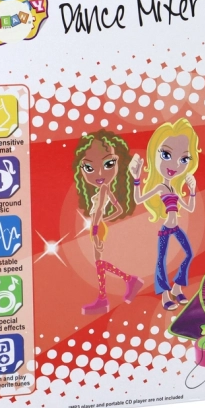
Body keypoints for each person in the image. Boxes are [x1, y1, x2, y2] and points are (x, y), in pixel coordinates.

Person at [130, 118, 200, 311]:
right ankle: (165, 296)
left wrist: (192, 190)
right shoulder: (161, 187)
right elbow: (139, 199)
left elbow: (190, 207)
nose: (175, 164)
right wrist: (136, 179)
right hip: (165, 229)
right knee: (161, 261)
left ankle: (177, 288)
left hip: (175, 228)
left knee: (188, 253)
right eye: (166, 155)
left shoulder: (174, 188)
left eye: (183, 159)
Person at [73, 130, 143, 315]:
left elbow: (99, 212)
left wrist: (97, 228)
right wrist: (105, 220)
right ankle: (124, 285)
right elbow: (117, 209)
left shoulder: (104, 189)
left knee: (99, 262)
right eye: (89, 168)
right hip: (99, 226)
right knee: (99, 262)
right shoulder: (105, 189)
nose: (99, 173)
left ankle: (117, 289)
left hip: (97, 227)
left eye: (108, 164)